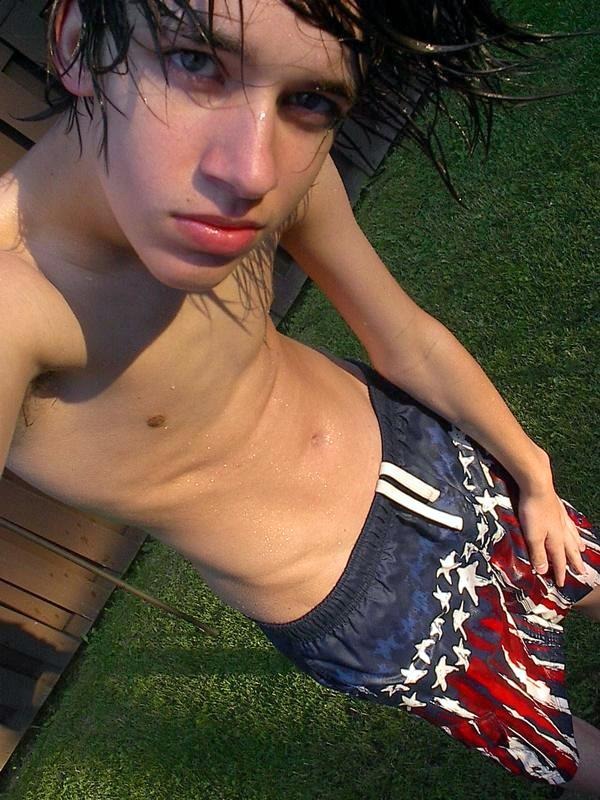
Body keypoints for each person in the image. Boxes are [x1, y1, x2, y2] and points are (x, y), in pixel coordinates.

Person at [1, 0, 598, 793]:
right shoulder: (13, 305)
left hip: (430, 451)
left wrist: (533, 472)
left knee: (587, 571)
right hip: (359, 600)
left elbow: (407, 340)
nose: (251, 170)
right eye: (194, 62)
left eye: (311, 98)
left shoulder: (282, 173)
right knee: (559, 744)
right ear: (78, 41)